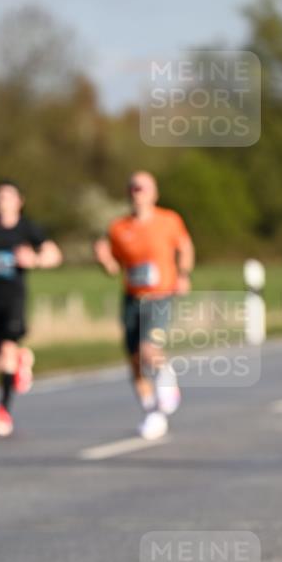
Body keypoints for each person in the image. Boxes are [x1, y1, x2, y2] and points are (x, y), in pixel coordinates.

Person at [94, 171, 194, 439]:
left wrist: (183, 275)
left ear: (154, 193)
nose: (138, 192)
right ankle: (153, 413)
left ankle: (166, 377)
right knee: (135, 361)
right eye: (134, 188)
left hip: (160, 296)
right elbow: (113, 267)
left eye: (143, 188)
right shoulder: (118, 228)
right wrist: (104, 260)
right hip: (131, 298)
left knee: (150, 349)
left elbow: (185, 248)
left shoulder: (169, 220)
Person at [0, 180, 62, 436]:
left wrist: (34, 260)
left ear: (19, 201)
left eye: (7, 196)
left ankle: (2, 412)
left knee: (6, 347)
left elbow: (54, 255)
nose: (1, 201)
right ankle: (20, 360)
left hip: (14, 297)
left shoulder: (27, 228)